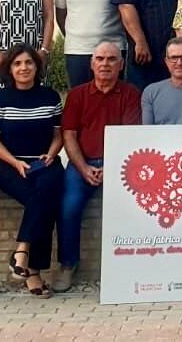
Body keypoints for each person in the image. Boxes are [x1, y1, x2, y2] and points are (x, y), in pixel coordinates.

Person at [53, 41, 142, 293]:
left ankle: (133, 263)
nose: (105, 64)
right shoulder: (77, 95)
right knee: (68, 207)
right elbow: (69, 136)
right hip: (83, 164)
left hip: (121, 164)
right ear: (91, 64)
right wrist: (83, 168)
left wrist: (113, 167)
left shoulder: (131, 94)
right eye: (100, 59)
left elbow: (131, 137)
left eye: (112, 59)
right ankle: (68, 264)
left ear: (121, 65)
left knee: (137, 208)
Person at [0, 46, 64, 300]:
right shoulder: (0, 98)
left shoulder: (50, 96)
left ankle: (22, 251)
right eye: (17, 63)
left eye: (29, 63)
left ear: (36, 67)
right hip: (10, 165)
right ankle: (33, 270)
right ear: (10, 68)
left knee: (48, 189)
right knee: (44, 201)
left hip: (44, 162)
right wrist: (15, 162)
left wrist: (51, 153)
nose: (24, 68)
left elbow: (58, 135)